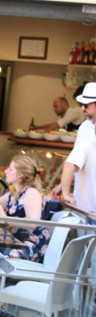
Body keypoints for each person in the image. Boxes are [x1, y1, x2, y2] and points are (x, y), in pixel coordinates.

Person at [0, 155, 51, 261]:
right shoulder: (14, 194)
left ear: (20, 175)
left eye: (10, 169)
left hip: (31, 246)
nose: (6, 171)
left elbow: (32, 223)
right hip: (17, 243)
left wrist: (5, 219)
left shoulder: (31, 192)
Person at [60, 82, 96, 222]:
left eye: (86, 105)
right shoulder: (84, 127)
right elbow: (73, 162)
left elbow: (70, 164)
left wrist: (65, 192)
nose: (82, 108)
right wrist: (63, 187)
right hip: (85, 206)